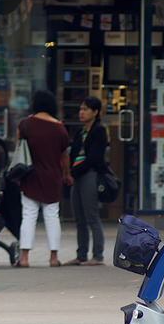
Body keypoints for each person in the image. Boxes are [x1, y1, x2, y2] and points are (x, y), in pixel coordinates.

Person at [17, 89, 70, 268]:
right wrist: (67, 174)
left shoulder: (25, 125)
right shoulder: (60, 128)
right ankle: (53, 258)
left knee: (29, 215)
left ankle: (24, 258)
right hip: (52, 176)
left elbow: (19, 148)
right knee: (52, 215)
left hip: (29, 176)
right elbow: (64, 156)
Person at [64, 96, 108, 266]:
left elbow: (95, 157)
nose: (81, 113)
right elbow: (74, 153)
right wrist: (71, 172)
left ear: (95, 112)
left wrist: (76, 170)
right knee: (79, 217)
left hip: (90, 174)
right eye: (80, 109)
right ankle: (81, 254)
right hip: (77, 176)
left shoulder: (99, 131)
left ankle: (98, 256)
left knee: (91, 216)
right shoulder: (81, 132)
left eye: (85, 109)